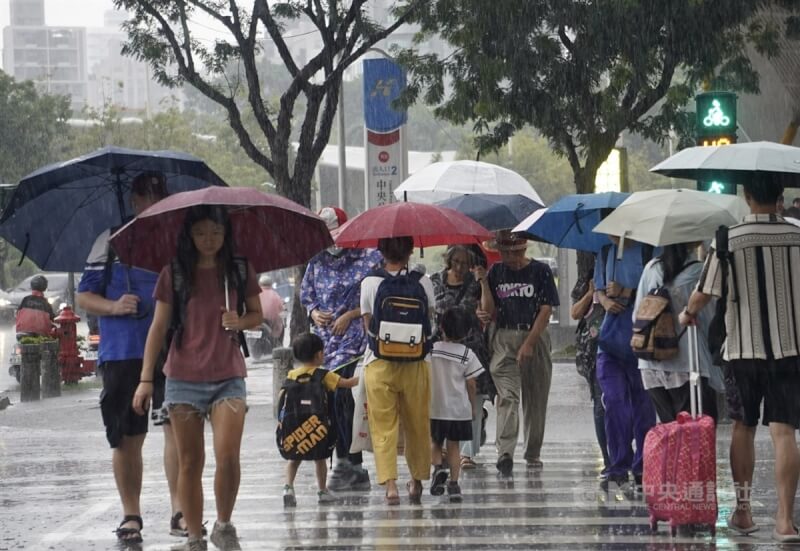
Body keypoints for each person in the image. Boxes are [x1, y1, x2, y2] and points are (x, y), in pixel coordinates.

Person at [132, 205, 262, 551]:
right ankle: (193, 535)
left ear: (226, 235)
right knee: (190, 461)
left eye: (216, 233)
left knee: (228, 455)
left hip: (228, 375)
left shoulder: (238, 269)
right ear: (190, 235)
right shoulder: (174, 273)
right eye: (202, 232)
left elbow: (257, 315)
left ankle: (223, 524)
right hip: (183, 377)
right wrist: (146, 380)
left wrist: (239, 320)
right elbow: (158, 327)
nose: (209, 240)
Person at [680, 175, 800, 543]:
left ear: (747, 197)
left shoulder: (728, 240)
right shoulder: (798, 236)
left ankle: (744, 512)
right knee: (784, 433)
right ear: (781, 197)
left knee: (743, 428)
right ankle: (785, 521)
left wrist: (687, 314)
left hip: (742, 352)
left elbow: (704, 293)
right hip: (791, 351)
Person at [76, 171, 178, 545]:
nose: (153, 203)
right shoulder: (109, 241)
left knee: (176, 431)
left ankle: (179, 509)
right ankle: (131, 514)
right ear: (134, 200)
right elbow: (84, 297)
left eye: (159, 195)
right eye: (146, 196)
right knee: (126, 438)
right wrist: (115, 306)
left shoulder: (177, 240)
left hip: (172, 349)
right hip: (122, 353)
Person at [300, 206, 383, 492]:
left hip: (354, 342)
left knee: (346, 399)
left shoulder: (369, 259)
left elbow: (379, 297)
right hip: (325, 345)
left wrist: (351, 314)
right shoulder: (316, 262)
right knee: (328, 403)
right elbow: (306, 296)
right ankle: (343, 462)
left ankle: (353, 463)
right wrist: (314, 313)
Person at [474, 230, 558, 476]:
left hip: (536, 336)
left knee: (535, 398)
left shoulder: (540, 271)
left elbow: (546, 310)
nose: (510, 256)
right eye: (504, 252)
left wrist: (530, 343)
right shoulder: (497, 272)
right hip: (504, 338)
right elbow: (489, 310)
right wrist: (482, 283)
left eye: (515, 251)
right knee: (507, 397)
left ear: (524, 249)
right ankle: (505, 453)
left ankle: (532, 452)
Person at [360, 236, 434, 505]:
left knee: (383, 427)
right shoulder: (422, 281)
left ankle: (390, 485)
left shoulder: (370, 282)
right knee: (417, 424)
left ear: (380, 251)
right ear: (411, 250)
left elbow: (368, 323)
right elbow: (430, 321)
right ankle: (415, 482)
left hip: (379, 363)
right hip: (416, 363)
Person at [594, 237, 657, 493]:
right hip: (610, 343)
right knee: (615, 401)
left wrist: (629, 291)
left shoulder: (651, 251)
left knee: (643, 407)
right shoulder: (606, 251)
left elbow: (660, 290)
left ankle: (643, 465)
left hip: (642, 342)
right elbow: (598, 288)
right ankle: (618, 463)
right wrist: (605, 300)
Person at [635, 243, 723, 423]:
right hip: (689, 362)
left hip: (651, 365)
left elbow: (637, 315)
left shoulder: (651, 269)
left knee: (670, 433)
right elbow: (712, 318)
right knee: (696, 432)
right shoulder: (699, 272)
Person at [430, 245, 492, 469]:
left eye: (465, 263)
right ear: (448, 260)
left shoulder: (475, 282)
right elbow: (432, 309)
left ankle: (466, 454)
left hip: (470, 346)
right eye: (456, 262)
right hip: (442, 347)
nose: (460, 267)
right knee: (445, 401)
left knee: (472, 399)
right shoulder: (435, 280)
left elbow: (488, 310)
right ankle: (446, 449)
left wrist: (483, 281)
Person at [282, 333, 358, 507]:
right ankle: (322, 491)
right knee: (320, 459)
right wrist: (365, 377)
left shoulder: (292, 375)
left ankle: (288, 488)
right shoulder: (324, 375)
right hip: (317, 425)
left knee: (294, 458)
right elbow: (347, 383)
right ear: (318, 355)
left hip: (295, 425)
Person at [428, 307, 485, 502]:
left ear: (441, 327)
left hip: (435, 408)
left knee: (435, 443)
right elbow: (471, 383)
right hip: (458, 410)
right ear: (467, 331)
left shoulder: (433, 349)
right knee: (454, 447)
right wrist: (472, 407)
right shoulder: (467, 354)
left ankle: (437, 469)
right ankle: (454, 484)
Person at [570, 255, 610, 478]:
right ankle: (607, 458)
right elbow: (575, 313)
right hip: (593, 354)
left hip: (620, 347)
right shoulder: (588, 281)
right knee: (600, 404)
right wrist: (591, 292)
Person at [257, 274, 285, 342]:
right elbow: (281, 310)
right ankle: (279, 345)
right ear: (270, 284)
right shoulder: (275, 295)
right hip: (272, 326)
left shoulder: (255, 295)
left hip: (256, 324)